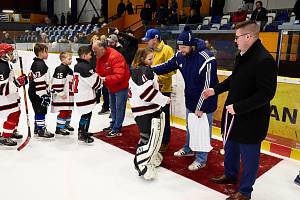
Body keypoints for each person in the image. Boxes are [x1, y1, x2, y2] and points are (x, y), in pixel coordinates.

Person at [202, 20, 277, 200]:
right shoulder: (242, 55)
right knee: (231, 148)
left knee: (249, 157)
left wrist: (239, 107)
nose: (235, 41)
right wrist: (215, 90)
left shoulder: (264, 60)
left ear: (248, 37)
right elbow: (234, 80)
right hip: (233, 115)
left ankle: (245, 191)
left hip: (251, 120)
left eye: (237, 37)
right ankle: (230, 174)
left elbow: (266, 94)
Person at [151, 26, 218, 170]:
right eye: (179, 46)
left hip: (205, 103)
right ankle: (188, 148)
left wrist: (201, 108)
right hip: (190, 99)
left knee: (202, 130)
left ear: (191, 45)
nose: (181, 49)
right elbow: (167, 66)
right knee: (191, 127)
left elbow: (208, 87)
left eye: (183, 47)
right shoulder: (180, 55)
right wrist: (150, 70)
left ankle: (201, 158)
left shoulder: (206, 58)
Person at [129, 48, 170, 180]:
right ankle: (141, 164)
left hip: (144, 110)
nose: (152, 61)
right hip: (145, 111)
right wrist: (164, 99)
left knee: (148, 137)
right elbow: (147, 94)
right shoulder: (143, 71)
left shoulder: (139, 70)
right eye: (150, 59)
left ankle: (147, 159)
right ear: (141, 59)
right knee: (148, 138)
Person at [142, 28, 176, 153]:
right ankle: (155, 139)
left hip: (164, 89)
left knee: (164, 117)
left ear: (155, 39)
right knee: (154, 116)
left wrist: (158, 78)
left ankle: (165, 141)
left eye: (148, 40)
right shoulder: (151, 51)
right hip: (153, 89)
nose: (147, 42)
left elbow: (173, 69)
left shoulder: (167, 50)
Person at [93, 40, 130, 137]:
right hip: (111, 86)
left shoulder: (115, 56)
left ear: (102, 49)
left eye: (95, 50)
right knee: (113, 107)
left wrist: (104, 78)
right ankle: (113, 124)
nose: (94, 53)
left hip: (121, 86)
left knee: (119, 107)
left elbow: (120, 75)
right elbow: (98, 70)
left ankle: (117, 128)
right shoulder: (100, 57)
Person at [74, 46, 102, 143]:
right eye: (90, 55)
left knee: (86, 114)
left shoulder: (78, 65)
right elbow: (96, 83)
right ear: (84, 55)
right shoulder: (85, 67)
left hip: (81, 94)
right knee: (86, 114)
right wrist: (100, 79)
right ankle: (82, 133)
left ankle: (83, 131)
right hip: (85, 95)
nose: (91, 56)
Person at [0, 43, 27, 146]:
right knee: (13, 114)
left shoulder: (6, 64)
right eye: (10, 53)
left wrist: (20, 82)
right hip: (4, 98)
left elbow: (10, 82)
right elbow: (1, 88)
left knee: (16, 112)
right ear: (3, 54)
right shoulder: (2, 67)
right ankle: (6, 136)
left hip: (9, 97)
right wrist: (18, 83)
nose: (12, 55)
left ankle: (11, 131)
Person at [28, 43, 54, 138]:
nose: (47, 54)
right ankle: (41, 130)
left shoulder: (37, 63)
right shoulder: (39, 65)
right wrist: (43, 95)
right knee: (40, 111)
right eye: (46, 52)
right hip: (38, 93)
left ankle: (37, 126)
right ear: (40, 52)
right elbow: (39, 81)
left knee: (38, 110)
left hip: (34, 91)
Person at [51, 52, 74, 136]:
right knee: (64, 110)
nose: (71, 60)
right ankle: (59, 128)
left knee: (68, 110)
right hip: (62, 95)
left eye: (71, 58)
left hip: (68, 95)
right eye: (69, 59)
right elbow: (57, 81)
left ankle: (65, 124)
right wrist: (60, 92)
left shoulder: (69, 70)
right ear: (63, 59)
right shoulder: (60, 69)